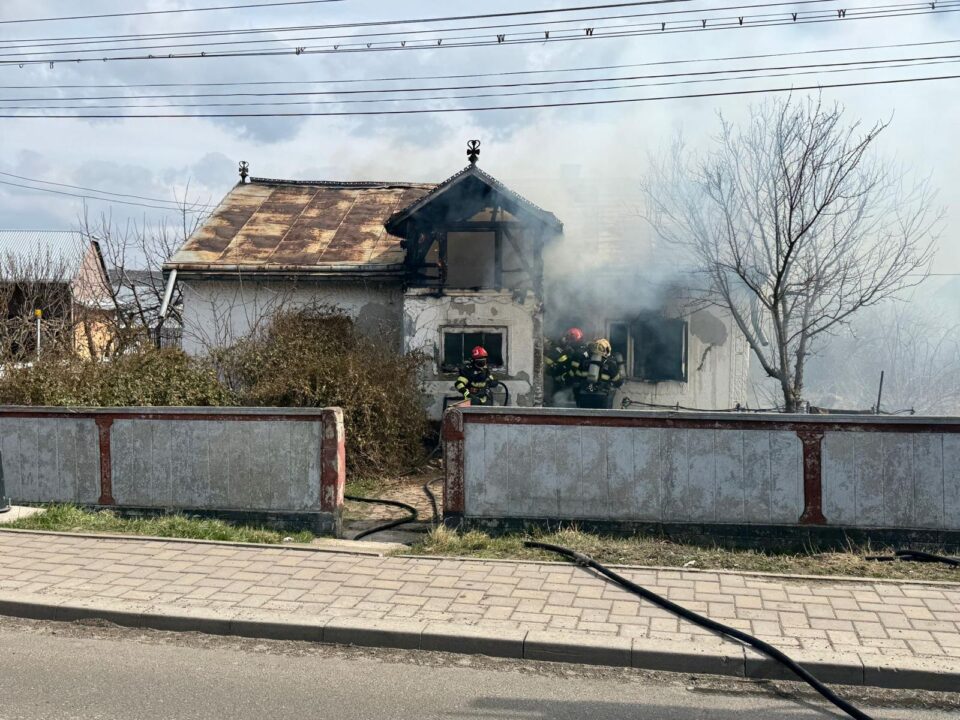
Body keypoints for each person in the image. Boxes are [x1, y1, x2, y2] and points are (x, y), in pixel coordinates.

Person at [575, 338, 625, 409]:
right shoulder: (610, 364)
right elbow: (618, 382)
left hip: (584, 396)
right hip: (601, 397)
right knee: (602, 419)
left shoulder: (584, 362)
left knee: (585, 418)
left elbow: (577, 380)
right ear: (606, 349)